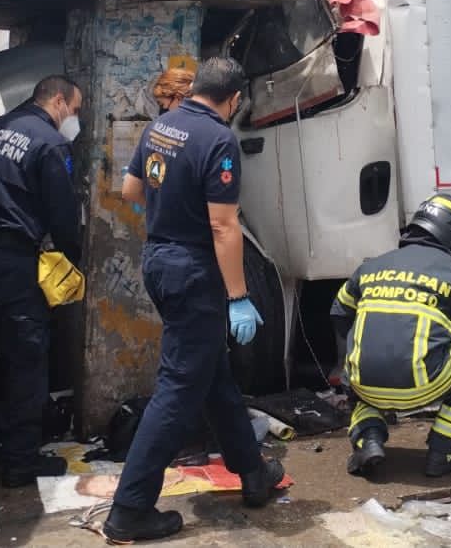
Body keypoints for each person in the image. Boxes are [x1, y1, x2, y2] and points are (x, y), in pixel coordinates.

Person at [103, 57, 284, 542]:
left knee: (212, 376)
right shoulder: (219, 138)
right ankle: (129, 509)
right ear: (235, 99)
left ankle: (253, 473)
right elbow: (223, 226)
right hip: (194, 272)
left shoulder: (162, 126)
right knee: (179, 389)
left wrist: (167, 210)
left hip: (160, 261)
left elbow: (130, 189)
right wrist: (239, 296)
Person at [0, 75, 84, 487]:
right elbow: (62, 215)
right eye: (75, 110)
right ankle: (21, 461)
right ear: (58, 101)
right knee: (27, 359)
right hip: (11, 261)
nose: (74, 119)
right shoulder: (51, 143)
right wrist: (71, 259)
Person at [330, 193, 451, 479]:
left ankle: (368, 441)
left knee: (361, 368)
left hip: (364, 382)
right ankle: (445, 452)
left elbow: (339, 313)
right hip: (421, 381)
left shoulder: (371, 266)